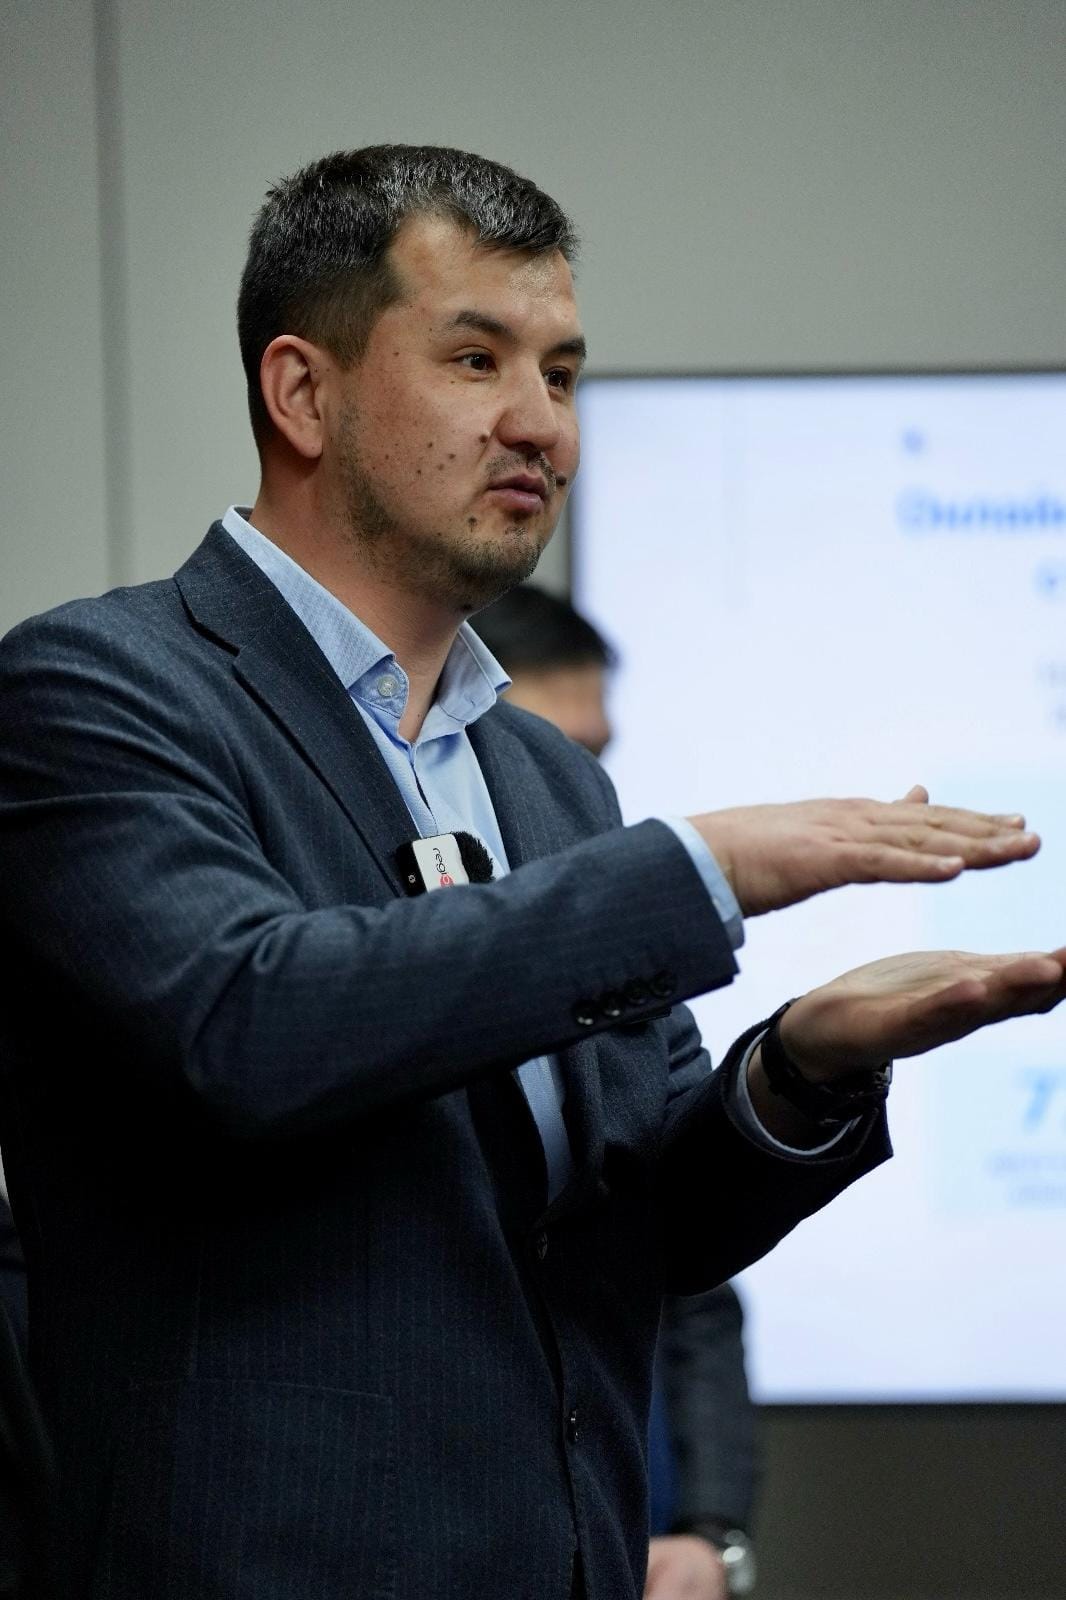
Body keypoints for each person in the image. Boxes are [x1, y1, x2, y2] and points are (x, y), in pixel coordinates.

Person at [0, 145, 1062, 1600]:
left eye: (560, 374)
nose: (539, 423)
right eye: (475, 359)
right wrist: (700, 869)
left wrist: (799, 1068)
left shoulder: (547, 777)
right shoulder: (99, 689)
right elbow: (245, 1024)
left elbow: (650, 1228)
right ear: (300, 392)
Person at [473, 585, 758, 1599]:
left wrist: (711, 1529)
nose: (576, 786)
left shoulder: (621, 953)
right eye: (550, 750)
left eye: (593, 753)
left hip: (636, 1540)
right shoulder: (390, 971)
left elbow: (692, 1283)